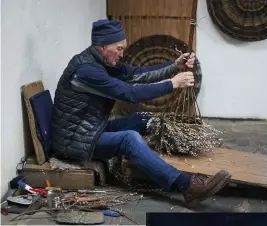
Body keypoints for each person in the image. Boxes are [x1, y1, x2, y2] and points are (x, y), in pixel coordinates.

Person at [50, 19, 231, 208]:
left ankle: (163, 161)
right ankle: (186, 185)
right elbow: (130, 94)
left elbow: (137, 74)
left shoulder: (102, 62)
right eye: (119, 48)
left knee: (142, 119)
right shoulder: (86, 71)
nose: (122, 53)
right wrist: (173, 83)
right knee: (129, 139)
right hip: (74, 141)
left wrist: (175, 66)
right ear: (102, 46)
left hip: (92, 128)